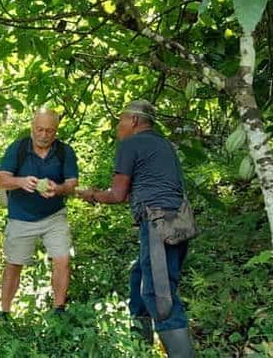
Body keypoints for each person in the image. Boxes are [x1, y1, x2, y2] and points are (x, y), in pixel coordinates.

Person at [76, 100, 195, 357]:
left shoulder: (131, 144)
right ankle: (140, 347)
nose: (118, 127)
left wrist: (92, 195)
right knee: (139, 277)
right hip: (179, 221)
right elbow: (147, 187)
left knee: (160, 296)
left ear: (133, 120)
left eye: (120, 120)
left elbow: (118, 194)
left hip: (158, 223)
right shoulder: (163, 144)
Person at [0, 108, 78, 319]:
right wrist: (21, 182)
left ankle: (58, 310)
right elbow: (2, 179)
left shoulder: (64, 151)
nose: (43, 135)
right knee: (14, 263)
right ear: (32, 128)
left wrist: (57, 189)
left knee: (62, 259)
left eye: (49, 131)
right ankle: (4, 312)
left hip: (54, 215)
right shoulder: (18, 148)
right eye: (39, 129)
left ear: (56, 131)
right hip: (21, 216)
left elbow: (72, 183)